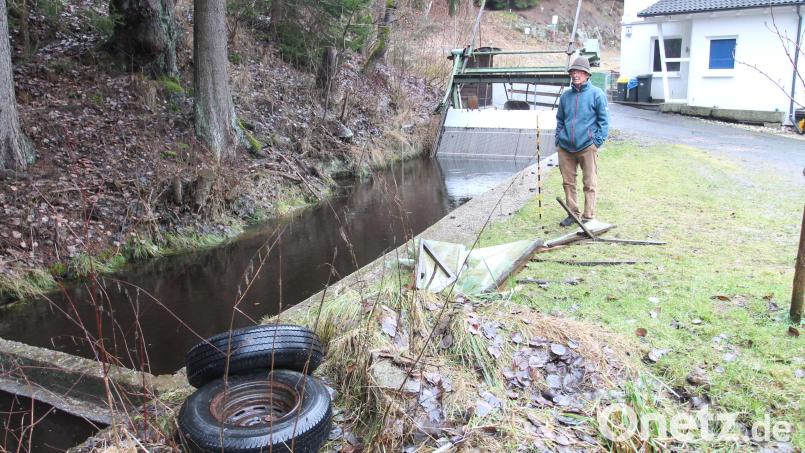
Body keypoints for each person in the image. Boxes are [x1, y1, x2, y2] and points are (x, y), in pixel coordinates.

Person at [554, 56, 609, 227]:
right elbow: (560, 119)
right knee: (568, 183)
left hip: (587, 146)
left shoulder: (597, 94)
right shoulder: (565, 97)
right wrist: (559, 138)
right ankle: (573, 214)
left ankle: (588, 216)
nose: (575, 75)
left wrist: (596, 142)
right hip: (565, 147)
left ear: (586, 74)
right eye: (573, 72)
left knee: (589, 182)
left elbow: (604, 122)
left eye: (579, 72)